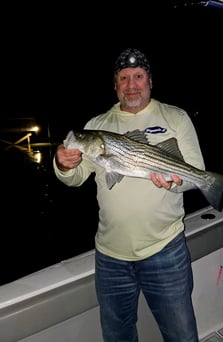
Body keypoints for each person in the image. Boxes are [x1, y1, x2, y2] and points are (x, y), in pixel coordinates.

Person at [53, 48, 205, 342]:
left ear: (150, 81)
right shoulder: (96, 127)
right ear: (115, 85)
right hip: (111, 257)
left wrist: (174, 182)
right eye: (124, 78)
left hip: (165, 250)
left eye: (138, 76)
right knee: (117, 336)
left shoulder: (175, 116)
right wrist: (62, 164)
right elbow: (75, 177)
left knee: (181, 335)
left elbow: (195, 173)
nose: (131, 84)